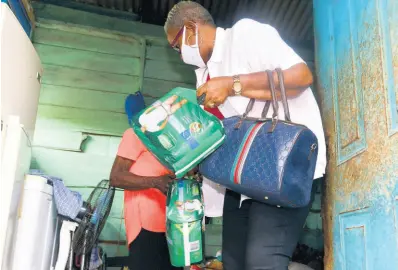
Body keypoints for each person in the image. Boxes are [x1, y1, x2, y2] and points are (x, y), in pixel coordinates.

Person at [164, 2, 327, 270]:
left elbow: (301, 76)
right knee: (233, 262)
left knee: (263, 261)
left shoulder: (245, 35)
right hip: (241, 178)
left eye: (177, 45)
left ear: (192, 29)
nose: (180, 54)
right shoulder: (204, 75)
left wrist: (233, 84)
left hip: (282, 168)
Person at [109, 128, 181, 270]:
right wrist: (155, 182)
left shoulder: (173, 143)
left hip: (173, 228)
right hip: (145, 227)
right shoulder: (136, 134)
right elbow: (116, 177)